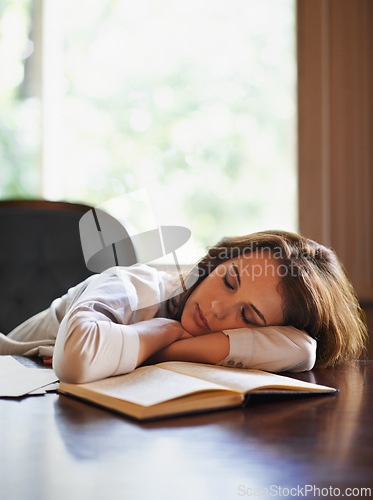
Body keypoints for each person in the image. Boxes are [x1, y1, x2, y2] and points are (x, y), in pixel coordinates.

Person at [0, 230, 367, 384]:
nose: (219, 309)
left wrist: (170, 350)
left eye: (248, 316)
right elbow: (78, 360)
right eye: (228, 280)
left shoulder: (211, 327)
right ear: (217, 262)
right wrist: (163, 331)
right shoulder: (138, 286)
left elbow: (303, 349)